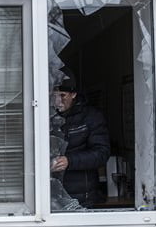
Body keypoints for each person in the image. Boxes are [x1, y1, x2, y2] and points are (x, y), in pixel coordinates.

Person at [50, 67, 110, 208]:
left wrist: (69, 161)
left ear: (74, 94)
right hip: (50, 196)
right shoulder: (45, 116)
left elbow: (102, 153)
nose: (58, 101)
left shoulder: (91, 117)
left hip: (83, 198)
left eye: (63, 95)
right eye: (54, 96)